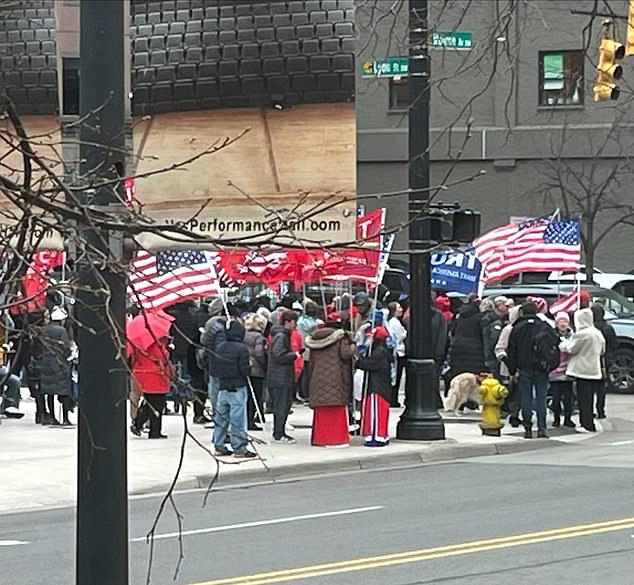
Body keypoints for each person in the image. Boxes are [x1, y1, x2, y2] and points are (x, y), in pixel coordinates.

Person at [507, 302, 557, 439]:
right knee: (541, 398)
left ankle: (527, 428)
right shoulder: (544, 326)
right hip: (541, 366)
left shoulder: (517, 328)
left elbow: (511, 350)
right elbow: (554, 343)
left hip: (524, 367)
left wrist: (512, 370)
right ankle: (542, 428)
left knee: (526, 397)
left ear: (522, 312)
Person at [305, 322, 356, 447]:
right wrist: (353, 345)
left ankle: (321, 439)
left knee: (322, 410)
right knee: (336, 410)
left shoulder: (315, 340)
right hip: (336, 379)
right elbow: (346, 354)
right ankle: (336, 439)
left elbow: (311, 364)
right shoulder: (341, 338)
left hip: (317, 379)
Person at [212, 320, 256, 458]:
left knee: (221, 418)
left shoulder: (219, 347)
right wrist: (249, 367)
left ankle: (219, 445)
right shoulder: (241, 349)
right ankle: (239, 448)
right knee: (237, 418)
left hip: (223, 386)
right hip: (237, 386)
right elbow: (244, 370)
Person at [562, 308, 605, 432]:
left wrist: (565, 343)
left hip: (581, 369)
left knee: (583, 399)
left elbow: (572, 349)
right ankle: (589, 422)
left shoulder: (582, 334)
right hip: (594, 369)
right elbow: (603, 350)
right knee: (590, 398)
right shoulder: (597, 333)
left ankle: (585, 423)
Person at [130, 334, 173, 439]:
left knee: (150, 403)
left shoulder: (140, 345)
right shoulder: (157, 346)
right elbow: (163, 358)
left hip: (143, 376)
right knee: (157, 405)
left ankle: (143, 425)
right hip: (155, 378)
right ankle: (150, 429)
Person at [36, 307, 73, 426]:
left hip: (46, 363)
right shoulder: (62, 331)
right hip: (59, 363)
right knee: (64, 392)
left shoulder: (43, 330)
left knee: (49, 392)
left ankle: (52, 416)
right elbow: (66, 347)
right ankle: (65, 418)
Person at [356, 326, 393, 447]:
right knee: (379, 412)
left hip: (377, 388)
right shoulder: (383, 351)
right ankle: (380, 435)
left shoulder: (379, 353)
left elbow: (368, 364)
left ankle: (376, 436)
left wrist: (358, 358)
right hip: (380, 387)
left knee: (375, 413)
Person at [266, 309, 299, 443]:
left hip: (278, 375)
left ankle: (279, 432)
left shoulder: (280, 334)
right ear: (287, 322)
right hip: (280, 376)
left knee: (282, 405)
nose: (295, 325)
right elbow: (278, 355)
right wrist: (294, 355)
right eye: (294, 322)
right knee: (282, 406)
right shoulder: (281, 336)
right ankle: (279, 433)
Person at [494, 305, 522, 427]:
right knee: (511, 391)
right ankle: (507, 410)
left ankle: (514, 413)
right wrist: (506, 360)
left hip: (521, 365)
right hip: (508, 366)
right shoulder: (508, 329)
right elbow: (500, 347)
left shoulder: (523, 328)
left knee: (518, 392)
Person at [448, 295, 485, 381]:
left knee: (459, 377)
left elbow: (452, 330)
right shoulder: (480, 317)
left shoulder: (459, 315)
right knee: (473, 379)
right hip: (476, 350)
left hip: (458, 348)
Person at [590, 303, 617, 419]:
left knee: (589, 387)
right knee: (601, 387)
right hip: (605, 359)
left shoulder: (590, 329)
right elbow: (615, 344)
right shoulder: (608, 328)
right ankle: (601, 410)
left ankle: (589, 410)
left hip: (591, 360)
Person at [549, 312, 575, 428]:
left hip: (568, 372)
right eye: (561, 321)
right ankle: (556, 418)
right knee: (556, 397)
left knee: (569, 398)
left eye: (565, 321)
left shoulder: (573, 336)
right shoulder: (551, 335)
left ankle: (568, 418)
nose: (563, 324)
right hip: (555, 372)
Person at [243, 312, 268, 431]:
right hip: (256, 370)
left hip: (245, 368)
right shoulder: (259, 337)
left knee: (246, 397)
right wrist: (265, 365)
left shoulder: (244, 334)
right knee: (255, 397)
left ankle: (246, 419)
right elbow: (259, 353)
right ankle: (250, 421)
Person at [297, 300, 322, 402]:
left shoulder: (302, 321)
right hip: (307, 347)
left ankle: (306, 392)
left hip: (309, 347)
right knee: (306, 372)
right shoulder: (305, 322)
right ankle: (305, 393)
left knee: (307, 372)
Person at [481, 296, 511, 378]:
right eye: (506, 306)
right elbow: (493, 340)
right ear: (499, 306)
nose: (509, 309)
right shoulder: (491, 320)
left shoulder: (502, 319)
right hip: (492, 356)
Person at [386, 301, 407, 407]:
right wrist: (404, 333)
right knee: (396, 376)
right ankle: (393, 398)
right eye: (399, 308)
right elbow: (399, 336)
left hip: (398, 351)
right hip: (398, 352)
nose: (401, 309)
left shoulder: (393, 321)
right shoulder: (394, 322)